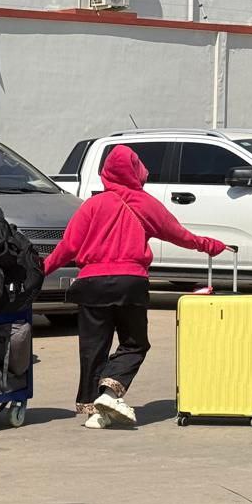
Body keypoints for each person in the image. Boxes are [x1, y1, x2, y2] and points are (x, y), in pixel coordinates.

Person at [43, 144, 227, 428]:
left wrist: (42, 270)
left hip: (91, 284)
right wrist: (209, 246)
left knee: (93, 348)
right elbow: (179, 235)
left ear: (106, 172)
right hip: (130, 283)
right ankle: (109, 392)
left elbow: (68, 247)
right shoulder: (146, 203)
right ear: (137, 171)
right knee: (135, 343)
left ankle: (95, 411)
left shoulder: (92, 205)